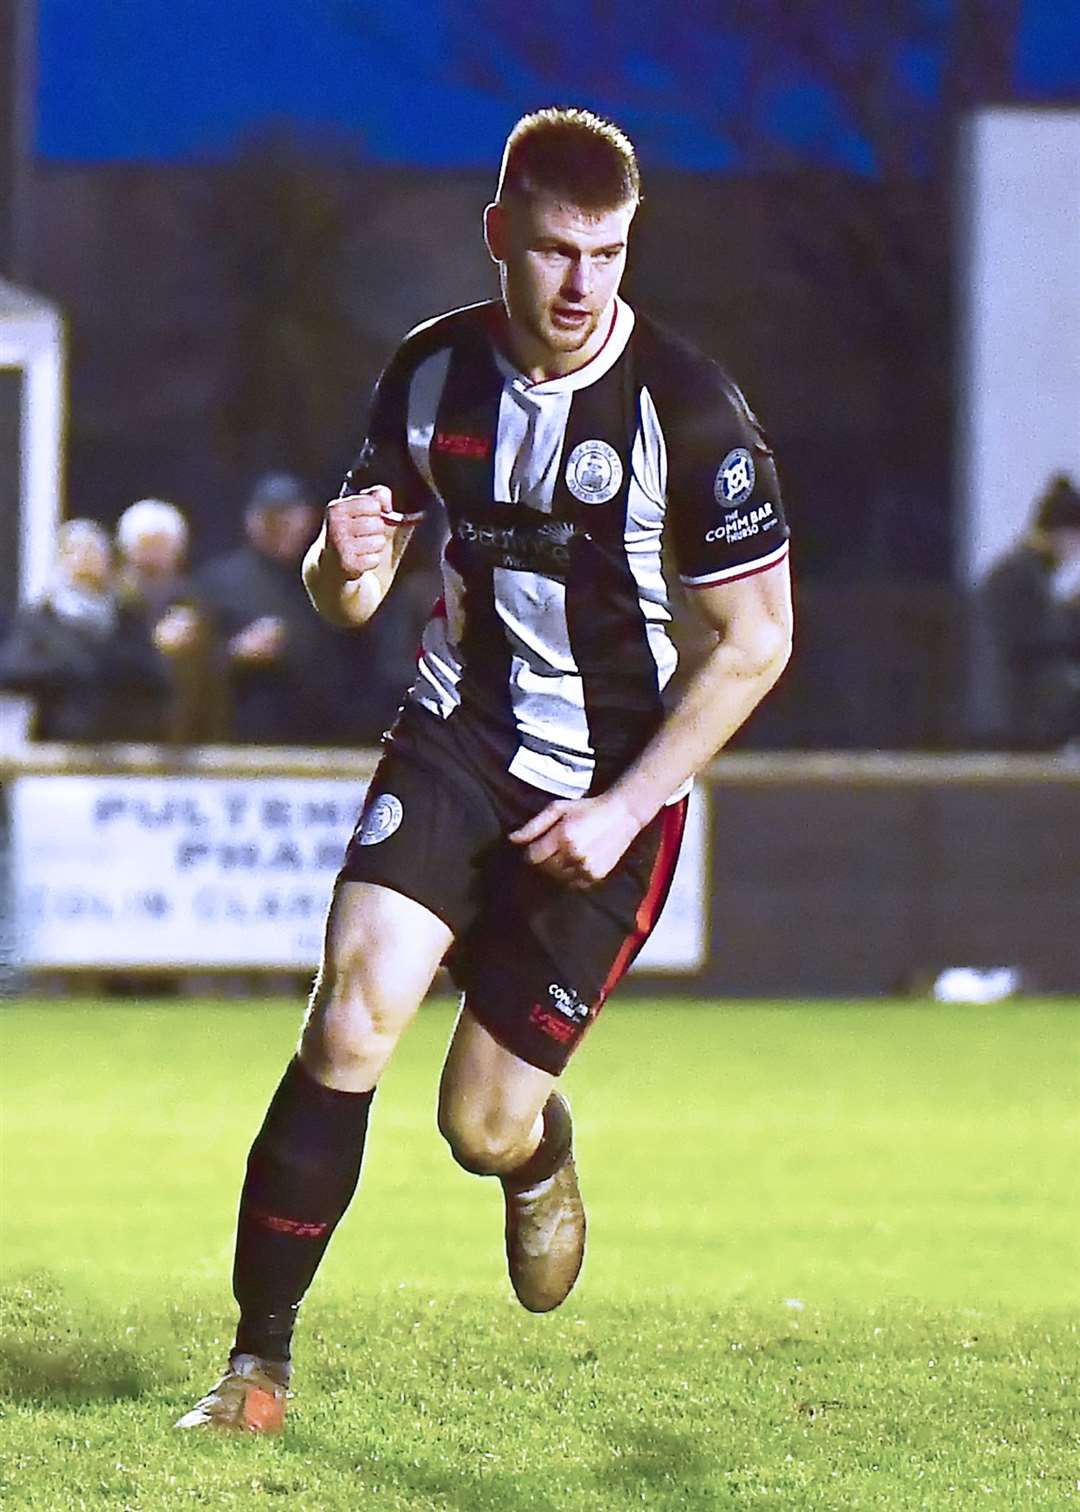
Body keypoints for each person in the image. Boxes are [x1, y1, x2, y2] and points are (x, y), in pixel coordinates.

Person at [178, 107, 793, 1434]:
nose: (582, 286)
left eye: (611, 254)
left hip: (613, 791)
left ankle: (540, 1151)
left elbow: (759, 642)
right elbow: (351, 593)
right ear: (498, 233)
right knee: (348, 1014)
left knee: (479, 1123)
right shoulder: (431, 372)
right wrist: (341, 565)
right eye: (558, 251)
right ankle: (255, 1371)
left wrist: (626, 809)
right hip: (459, 738)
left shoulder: (689, 411)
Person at [194, 472, 409, 744]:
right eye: (270, 519)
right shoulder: (220, 583)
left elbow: (368, 660)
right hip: (247, 738)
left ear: (309, 519)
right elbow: (188, 671)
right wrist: (234, 652)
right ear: (251, 521)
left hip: (334, 737)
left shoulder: (339, 576)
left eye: (288, 517)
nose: (279, 527)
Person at [0, 518, 170, 742]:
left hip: (122, 747)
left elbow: (156, 677)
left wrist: (106, 667)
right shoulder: (42, 619)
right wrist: (69, 668)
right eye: (75, 551)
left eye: (93, 550)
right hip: (60, 746)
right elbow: (12, 672)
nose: (85, 558)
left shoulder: (128, 617)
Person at [968, 473, 1080, 748]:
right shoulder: (1018, 575)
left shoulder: (1022, 572)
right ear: (1063, 533)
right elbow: (1040, 641)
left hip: (1016, 722)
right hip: (1015, 724)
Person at [115, 498, 227, 743]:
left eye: (163, 545)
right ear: (127, 548)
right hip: (123, 737)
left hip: (186, 738)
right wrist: (154, 647)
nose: (154, 554)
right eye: (146, 544)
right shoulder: (111, 602)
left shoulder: (196, 604)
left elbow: (212, 675)